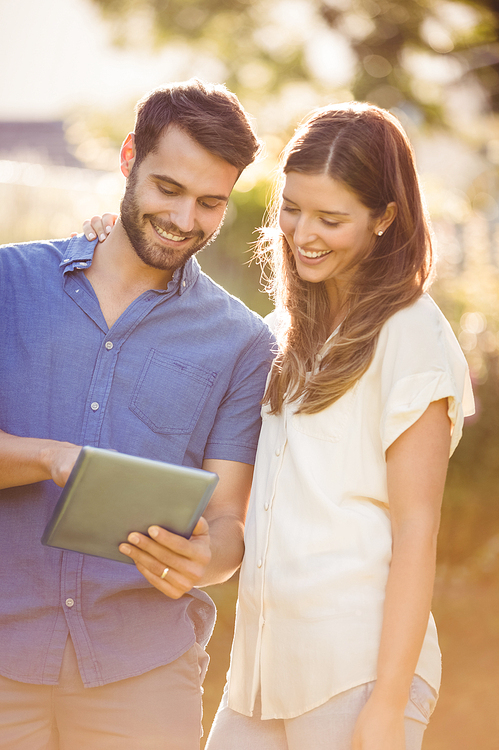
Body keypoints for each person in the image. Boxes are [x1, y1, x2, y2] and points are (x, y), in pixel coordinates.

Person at [0, 79, 274, 750]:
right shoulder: (10, 285)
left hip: (142, 670)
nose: (185, 220)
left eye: (211, 203)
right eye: (168, 190)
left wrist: (207, 560)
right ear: (129, 158)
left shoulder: (241, 342)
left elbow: (229, 523)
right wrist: (52, 457)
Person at [200, 102, 474, 750]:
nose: (303, 233)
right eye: (292, 208)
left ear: (385, 218)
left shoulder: (411, 333)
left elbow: (415, 530)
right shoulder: (280, 335)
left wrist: (386, 703)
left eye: (331, 218)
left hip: (358, 673)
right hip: (260, 676)